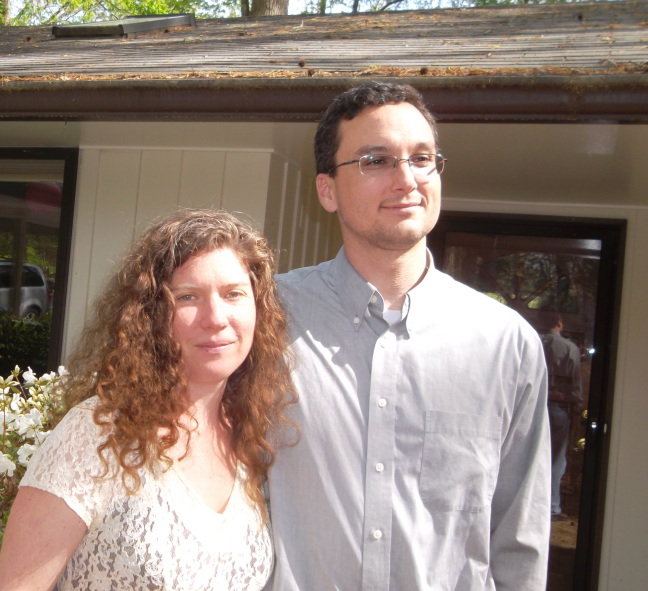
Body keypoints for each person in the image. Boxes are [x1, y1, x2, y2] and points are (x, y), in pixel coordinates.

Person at [265, 82, 551, 590]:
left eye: (422, 158)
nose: (407, 179)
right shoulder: (265, 320)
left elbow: (518, 541)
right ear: (327, 190)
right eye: (376, 160)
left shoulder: (508, 346)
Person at [0, 208, 296, 591]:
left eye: (234, 294)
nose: (216, 317)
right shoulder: (96, 435)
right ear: (151, 316)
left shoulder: (249, 439)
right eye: (188, 297)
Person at [540, 312, 583, 521]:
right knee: (556, 459)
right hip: (558, 408)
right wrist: (576, 400)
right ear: (558, 323)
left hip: (533, 408)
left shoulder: (534, 342)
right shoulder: (569, 348)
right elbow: (574, 381)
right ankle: (551, 506)